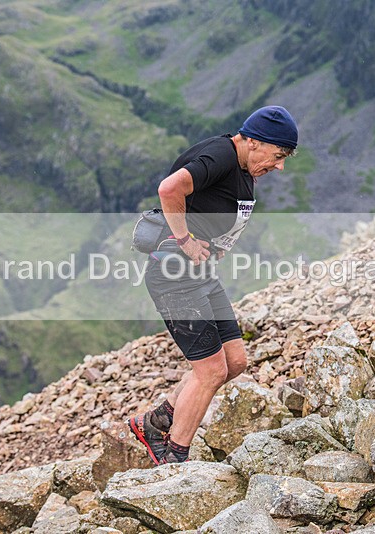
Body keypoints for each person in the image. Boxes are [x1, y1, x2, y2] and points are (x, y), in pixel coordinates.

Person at [128, 106, 299, 465]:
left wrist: (213, 245)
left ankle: (155, 421)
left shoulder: (242, 165)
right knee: (211, 371)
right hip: (175, 276)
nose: (279, 166)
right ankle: (174, 456)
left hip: (200, 274)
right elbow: (169, 188)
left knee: (234, 361)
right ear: (253, 141)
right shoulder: (221, 156)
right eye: (278, 156)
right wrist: (186, 239)